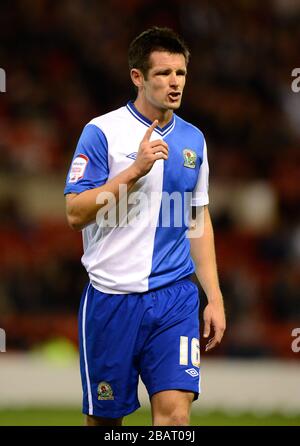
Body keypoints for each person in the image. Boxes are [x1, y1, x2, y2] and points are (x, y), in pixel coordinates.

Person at [64, 26, 226, 426]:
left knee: (174, 418)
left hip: (174, 297)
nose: (175, 83)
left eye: (181, 74)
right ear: (138, 77)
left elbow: (196, 217)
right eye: (163, 74)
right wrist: (134, 171)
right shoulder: (102, 132)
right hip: (111, 298)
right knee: (105, 423)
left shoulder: (194, 140)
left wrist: (215, 296)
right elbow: (74, 213)